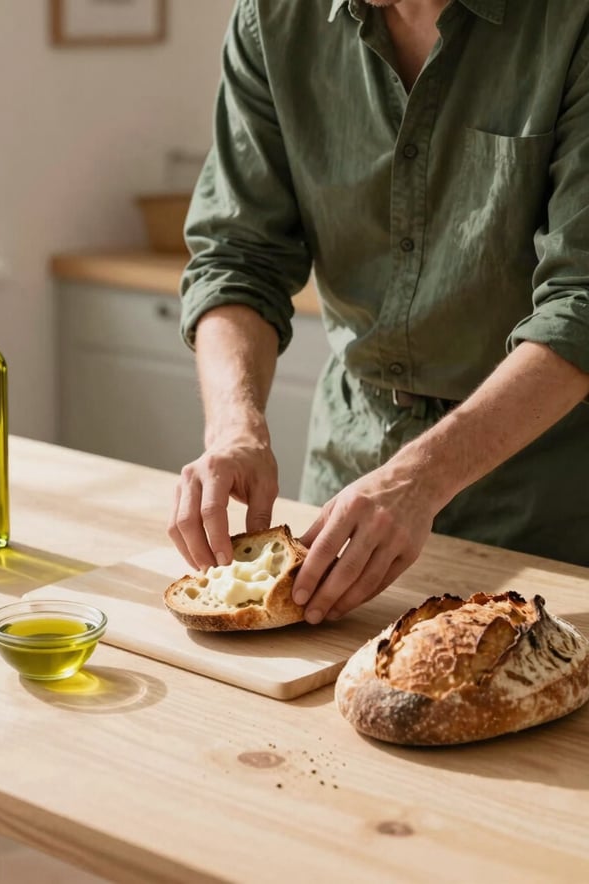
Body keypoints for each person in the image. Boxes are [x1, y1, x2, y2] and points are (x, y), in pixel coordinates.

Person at [167, 0, 589, 624]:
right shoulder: (274, 18)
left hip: (547, 498)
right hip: (346, 472)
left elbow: (581, 301)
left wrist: (422, 478)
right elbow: (237, 256)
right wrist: (235, 426)